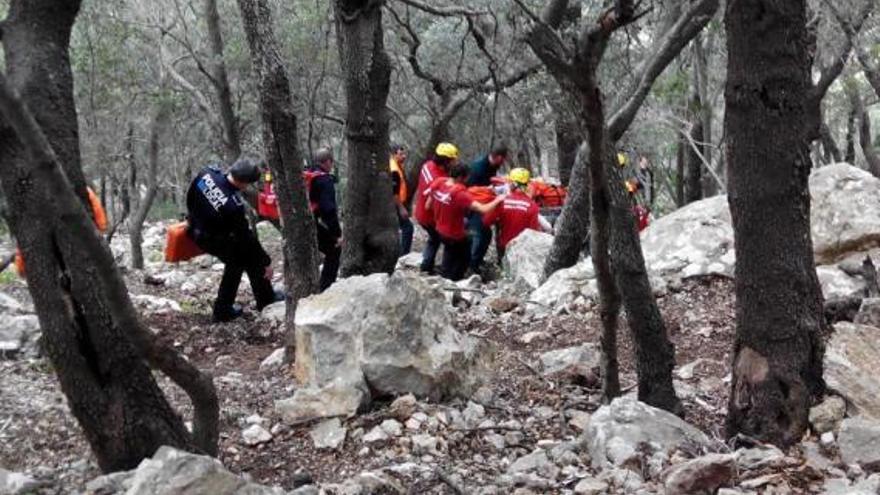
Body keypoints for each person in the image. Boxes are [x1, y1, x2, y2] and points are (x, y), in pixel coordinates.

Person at [186, 156, 279, 322]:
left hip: (195, 228)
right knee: (244, 259)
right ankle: (260, 302)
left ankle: (231, 307)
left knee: (239, 261)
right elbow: (245, 237)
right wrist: (265, 261)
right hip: (212, 238)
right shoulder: (233, 206)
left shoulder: (206, 174)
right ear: (244, 183)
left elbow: (190, 196)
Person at [427, 162, 506, 281]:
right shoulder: (460, 194)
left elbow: (428, 206)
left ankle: (446, 272)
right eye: (467, 177)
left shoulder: (439, 183)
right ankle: (455, 279)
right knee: (465, 254)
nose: (468, 179)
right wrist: (498, 199)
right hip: (453, 234)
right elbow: (483, 209)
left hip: (439, 228)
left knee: (451, 250)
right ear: (460, 177)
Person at [483, 167, 551, 259]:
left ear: (513, 183)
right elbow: (533, 233)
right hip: (523, 250)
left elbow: (486, 221)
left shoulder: (501, 201)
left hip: (505, 248)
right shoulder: (532, 206)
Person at [413, 142, 458, 274]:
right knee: (450, 242)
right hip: (430, 217)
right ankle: (446, 272)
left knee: (434, 239)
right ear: (446, 161)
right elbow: (436, 201)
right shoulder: (439, 179)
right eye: (453, 160)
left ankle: (426, 267)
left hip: (421, 213)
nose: (455, 163)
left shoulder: (427, 166)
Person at [466, 143, 509, 276]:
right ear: (498, 157)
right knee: (478, 235)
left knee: (486, 235)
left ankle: (477, 261)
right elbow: (470, 190)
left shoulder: (492, 166)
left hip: (485, 204)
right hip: (475, 207)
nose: (503, 163)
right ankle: (471, 266)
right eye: (503, 160)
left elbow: (488, 184)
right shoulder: (478, 168)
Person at [308, 147, 342, 292]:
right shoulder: (324, 180)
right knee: (334, 250)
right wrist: (337, 234)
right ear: (328, 162)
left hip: (301, 223)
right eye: (331, 162)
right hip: (310, 224)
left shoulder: (308, 174)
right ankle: (326, 288)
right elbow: (328, 209)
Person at [389, 143, 413, 257]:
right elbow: (393, 192)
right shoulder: (394, 169)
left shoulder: (396, 165)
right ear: (394, 154)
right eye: (401, 154)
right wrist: (401, 208)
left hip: (396, 204)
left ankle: (400, 254)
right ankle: (404, 256)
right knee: (408, 228)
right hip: (394, 205)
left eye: (404, 154)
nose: (404, 156)